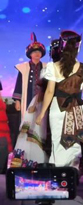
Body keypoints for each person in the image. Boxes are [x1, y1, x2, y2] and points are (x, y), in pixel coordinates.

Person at [35, 30, 83, 176]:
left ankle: (58, 174)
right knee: (74, 142)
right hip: (76, 108)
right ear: (77, 48)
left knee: (57, 141)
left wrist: (42, 113)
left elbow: (50, 92)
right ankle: (70, 174)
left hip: (58, 107)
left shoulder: (53, 66)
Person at [9, 34, 51, 168]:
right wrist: (17, 100)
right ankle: (26, 153)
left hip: (43, 101)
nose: (37, 54)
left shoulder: (47, 67)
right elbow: (19, 84)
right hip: (27, 101)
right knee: (27, 125)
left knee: (42, 125)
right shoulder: (24, 68)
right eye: (34, 52)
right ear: (30, 54)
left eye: (39, 52)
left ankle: (41, 153)